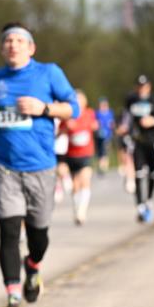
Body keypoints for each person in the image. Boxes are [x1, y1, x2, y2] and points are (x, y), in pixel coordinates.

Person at [0, 22, 79, 307]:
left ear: (30, 47)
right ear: (1, 47)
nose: (13, 45)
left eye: (19, 40)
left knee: (39, 235)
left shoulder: (49, 73)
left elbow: (72, 108)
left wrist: (43, 108)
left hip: (41, 168)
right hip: (4, 167)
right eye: (7, 40)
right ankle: (12, 297)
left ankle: (32, 266)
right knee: (8, 230)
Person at [118, 75, 154, 224]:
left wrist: (153, 121)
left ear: (149, 86)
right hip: (137, 141)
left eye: (144, 86)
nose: (141, 89)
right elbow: (126, 118)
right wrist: (123, 127)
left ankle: (149, 201)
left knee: (153, 173)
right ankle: (140, 206)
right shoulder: (130, 100)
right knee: (139, 173)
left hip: (153, 141)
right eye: (139, 86)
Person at [59, 90, 99, 225]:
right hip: (71, 154)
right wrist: (67, 128)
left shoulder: (89, 113)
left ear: (85, 102)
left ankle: (82, 210)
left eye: (80, 100)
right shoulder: (68, 116)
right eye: (75, 100)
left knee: (85, 179)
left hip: (86, 153)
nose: (78, 102)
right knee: (75, 184)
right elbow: (59, 132)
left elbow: (95, 125)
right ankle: (77, 209)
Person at [94, 96, 116, 175]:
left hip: (107, 136)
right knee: (99, 151)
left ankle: (103, 167)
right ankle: (101, 165)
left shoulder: (110, 113)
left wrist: (112, 126)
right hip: (99, 136)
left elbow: (112, 123)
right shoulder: (96, 113)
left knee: (105, 151)